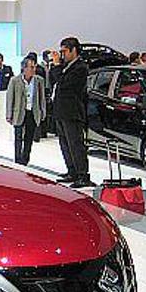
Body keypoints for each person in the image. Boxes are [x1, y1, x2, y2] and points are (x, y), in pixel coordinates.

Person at [54, 36, 93, 188]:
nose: (62, 55)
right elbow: (55, 80)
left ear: (74, 50)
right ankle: (72, 171)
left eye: (64, 51)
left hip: (72, 112)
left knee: (75, 144)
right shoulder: (66, 66)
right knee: (65, 144)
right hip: (61, 111)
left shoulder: (80, 68)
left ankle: (83, 174)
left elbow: (64, 84)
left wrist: (57, 66)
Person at [7, 57, 47, 166]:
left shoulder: (39, 80)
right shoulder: (14, 80)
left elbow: (42, 98)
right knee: (18, 137)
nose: (34, 69)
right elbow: (10, 98)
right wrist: (9, 114)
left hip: (32, 112)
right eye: (31, 67)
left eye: (34, 67)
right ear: (24, 68)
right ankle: (17, 160)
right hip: (19, 112)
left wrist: (43, 111)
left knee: (29, 138)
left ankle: (25, 160)